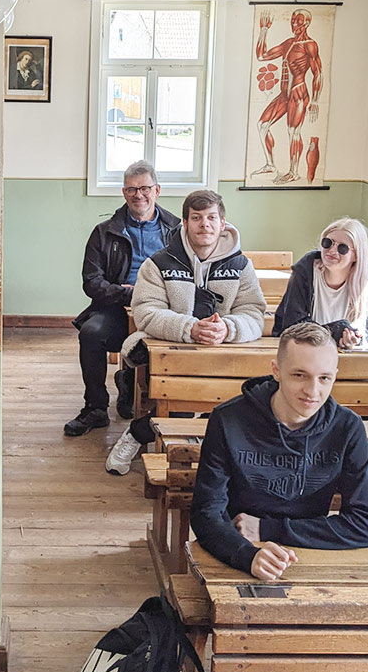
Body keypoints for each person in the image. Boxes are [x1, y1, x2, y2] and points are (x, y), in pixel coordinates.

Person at [190, 321, 368, 574]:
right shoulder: (228, 420)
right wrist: (249, 556)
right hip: (238, 549)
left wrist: (267, 529)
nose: (313, 391)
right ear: (276, 370)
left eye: (324, 378)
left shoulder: (348, 428)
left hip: (311, 552)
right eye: (299, 375)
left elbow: (364, 525)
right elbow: (206, 513)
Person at [104, 189, 267, 475]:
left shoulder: (241, 266)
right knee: (179, 400)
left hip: (225, 353)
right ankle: (137, 435)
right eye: (197, 218)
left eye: (212, 218)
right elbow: (146, 312)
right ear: (185, 222)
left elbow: (254, 313)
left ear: (223, 222)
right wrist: (190, 328)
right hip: (173, 350)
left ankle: (214, 456)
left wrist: (226, 328)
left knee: (242, 404)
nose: (205, 225)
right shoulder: (158, 263)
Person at [65, 161, 181, 437]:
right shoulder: (104, 232)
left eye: (144, 188)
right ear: (124, 192)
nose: (138, 195)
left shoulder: (177, 230)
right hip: (117, 306)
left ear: (157, 190)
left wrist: (152, 294)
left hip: (161, 308)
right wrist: (127, 292)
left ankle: (134, 387)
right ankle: (95, 407)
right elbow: (91, 282)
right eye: (131, 189)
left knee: (175, 342)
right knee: (91, 335)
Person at [274, 217, 368, 349]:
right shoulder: (305, 271)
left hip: (345, 355)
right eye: (328, 243)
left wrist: (354, 338)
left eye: (342, 248)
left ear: (356, 255)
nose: (332, 251)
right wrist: (337, 330)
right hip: (303, 349)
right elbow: (292, 323)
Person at [251, 7, 324, 185]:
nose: (295, 23)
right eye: (293, 19)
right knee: (262, 125)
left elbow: (318, 73)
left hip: (298, 92)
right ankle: (270, 164)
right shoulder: (288, 43)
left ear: (307, 23)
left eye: (299, 20)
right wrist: (264, 30)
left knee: (293, 132)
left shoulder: (310, 45)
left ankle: (293, 171)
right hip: (284, 94)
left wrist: (315, 100)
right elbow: (261, 56)